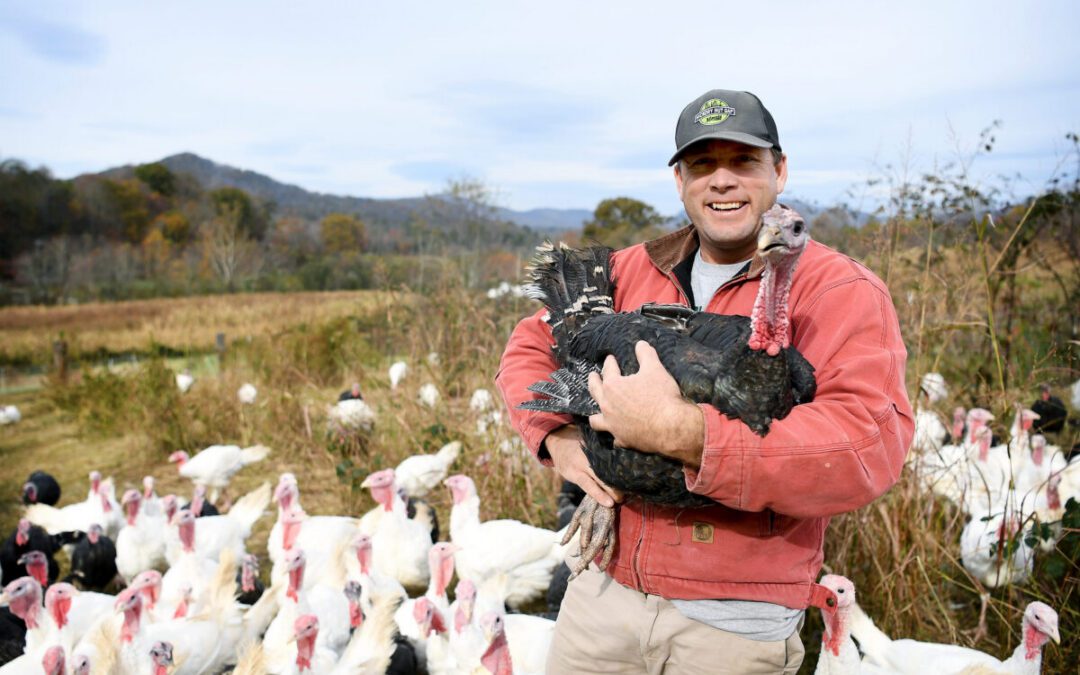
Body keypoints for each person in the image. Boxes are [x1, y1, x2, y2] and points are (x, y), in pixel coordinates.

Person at [496, 89, 914, 674]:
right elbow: (530, 347)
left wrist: (687, 434)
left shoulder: (838, 291)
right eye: (702, 165)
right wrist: (555, 439)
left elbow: (863, 447)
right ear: (679, 179)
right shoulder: (628, 270)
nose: (721, 181)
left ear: (780, 170)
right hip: (601, 598)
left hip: (732, 623)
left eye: (743, 162)